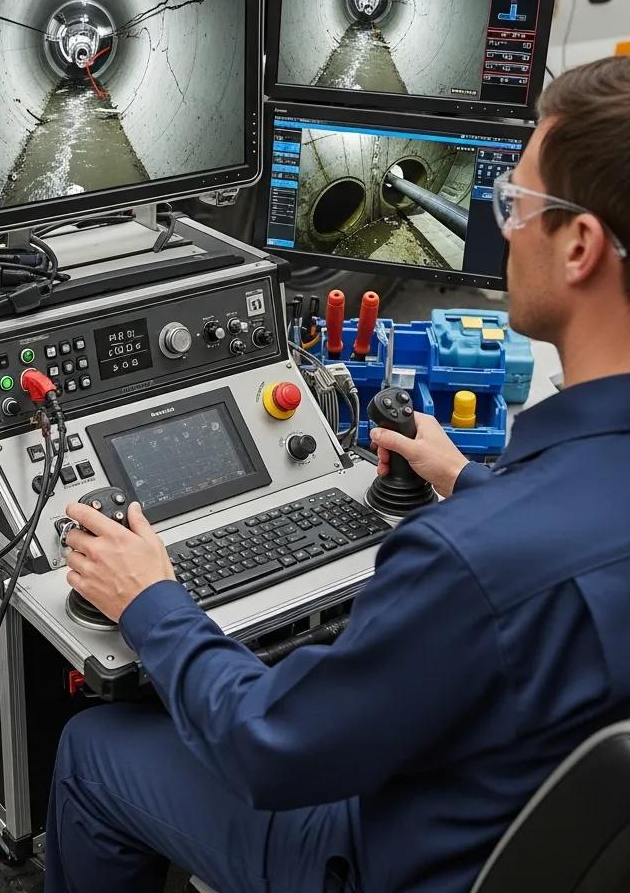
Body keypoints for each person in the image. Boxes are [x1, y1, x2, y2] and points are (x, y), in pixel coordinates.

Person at [44, 56, 630, 893]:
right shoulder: (505, 529)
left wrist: (152, 603)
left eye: (517, 204)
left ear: (579, 246)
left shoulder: (466, 563)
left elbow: (266, 746)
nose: (504, 227)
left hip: (385, 857)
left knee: (96, 745)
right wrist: (469, 479)